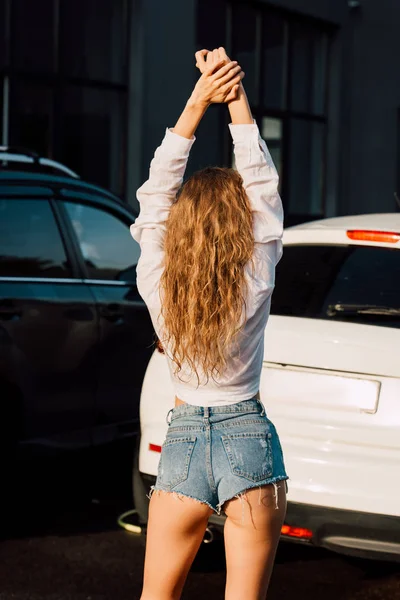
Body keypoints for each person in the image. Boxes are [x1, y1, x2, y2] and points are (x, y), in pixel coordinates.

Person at [130, 47, 288, 600]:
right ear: (242, 229)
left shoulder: (158, 279)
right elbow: (263, 187)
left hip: (184, 441)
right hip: (249, 437)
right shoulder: (257, 275)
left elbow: (156, 194)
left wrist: (199, 99)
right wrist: (236, 98)